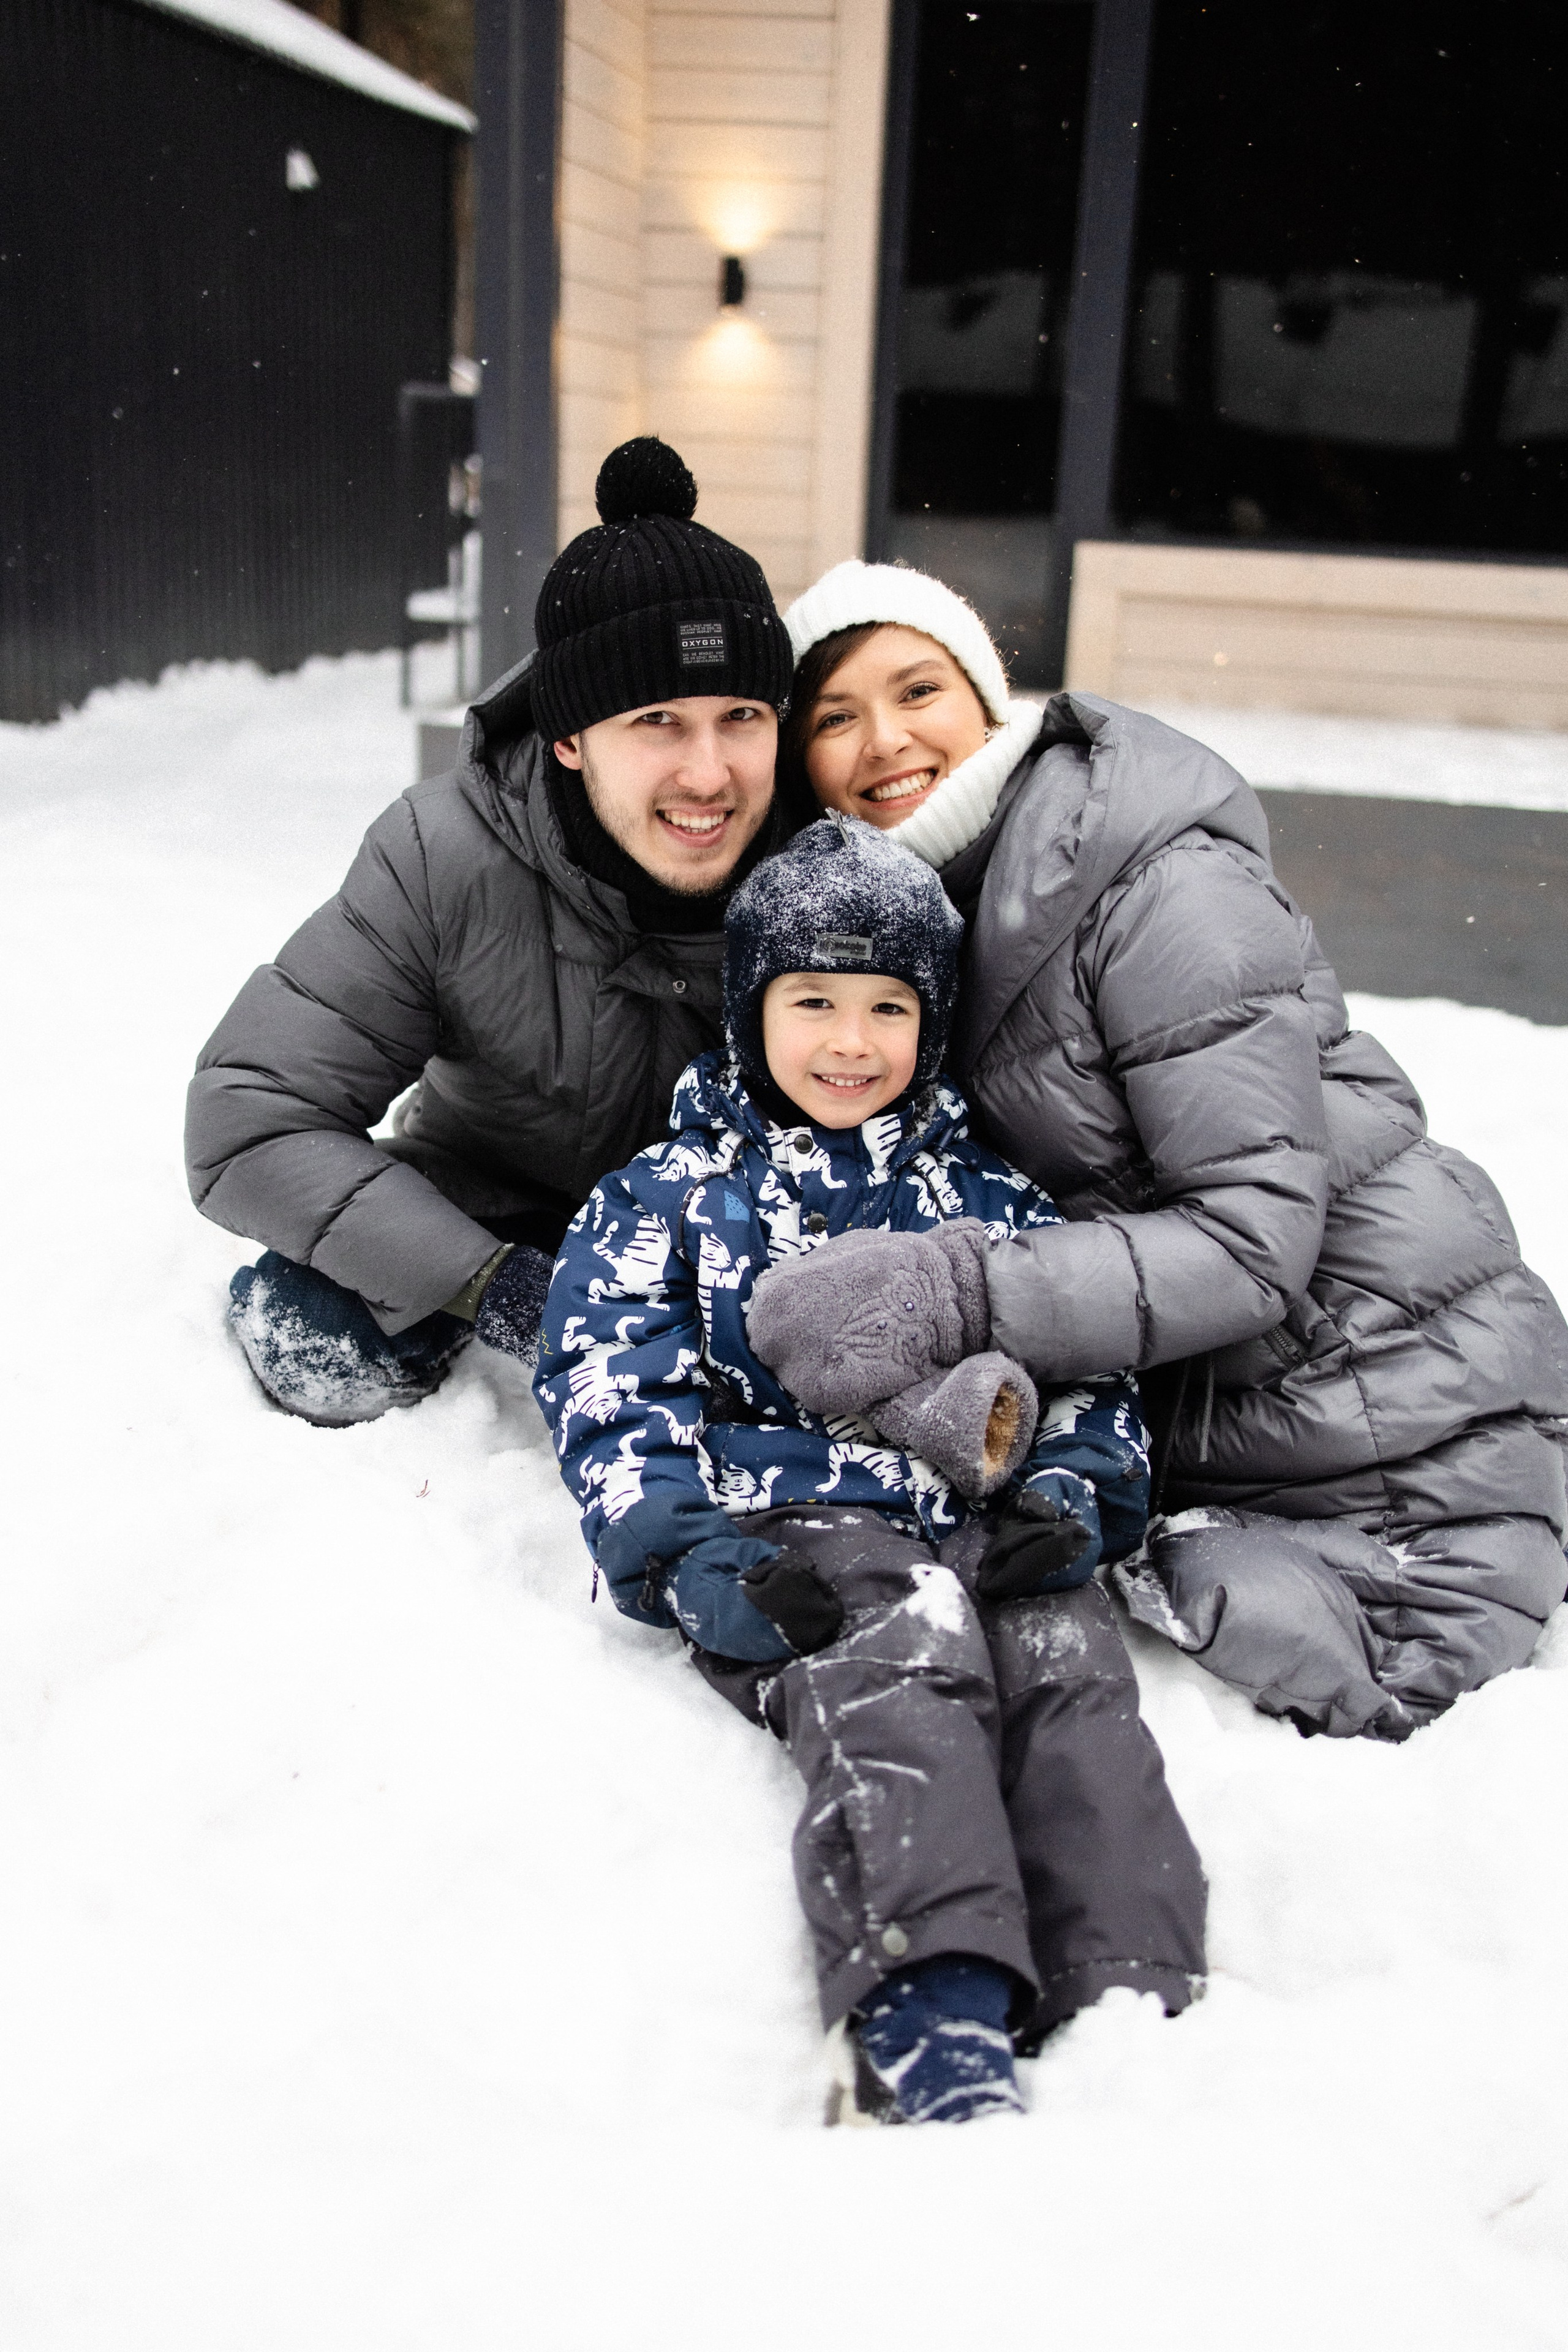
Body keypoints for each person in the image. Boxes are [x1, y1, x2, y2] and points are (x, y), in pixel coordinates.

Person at [750, 560, 1568, 1742]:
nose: (885, 740)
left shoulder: (1151, 881)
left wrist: (960, 1293)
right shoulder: (910, 916)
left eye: (917, 690)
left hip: (1379, 1369)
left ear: (987, 700)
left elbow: (1253, 1238)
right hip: (1228, 1381)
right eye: (834, 717)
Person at [533, 815, 1207, 2127]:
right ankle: (931, 1990)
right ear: (750, 1010)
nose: (852, 1041)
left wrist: (1072, 1489)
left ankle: (1126, 1986)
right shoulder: (667, 1199)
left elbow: (1087, 1371)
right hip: (803, 1527)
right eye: (814, 1002)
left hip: (988, 1507)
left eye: (888, 1007)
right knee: (904, 1667)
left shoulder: (991, 1204)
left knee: (1067, 1675)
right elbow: (613, 1394)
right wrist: (685, 1556)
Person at [184, 439, 796, 1424]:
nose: (709, 774)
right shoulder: (442, 855)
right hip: (496, 1206)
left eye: (741, 716)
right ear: (568, 736)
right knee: (314, 1331)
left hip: (734, 1243)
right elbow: (248, 1115)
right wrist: (502, 1288)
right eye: (656, 721)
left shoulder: (829, 870)